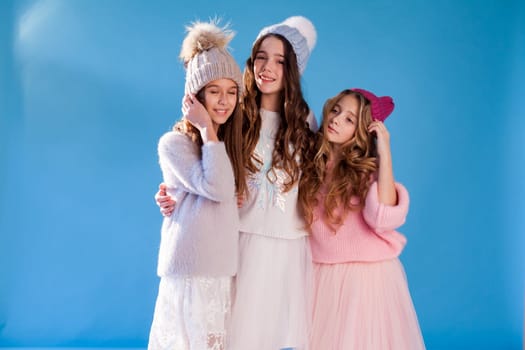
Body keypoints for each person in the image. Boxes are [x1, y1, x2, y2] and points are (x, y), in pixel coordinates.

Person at [156, 16, 318, 350]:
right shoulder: (236, 108)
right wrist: (172, 192)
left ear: (294, 70)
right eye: (261, 56)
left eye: (280, 60)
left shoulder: (304, 120)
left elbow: (316, 177)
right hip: (236, 236)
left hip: (285, 237)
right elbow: (200, 157)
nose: (267, 67)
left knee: (269, 329)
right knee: (228, 330)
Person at [298, 88, 426, 349]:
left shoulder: (364, 171)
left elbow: (383, 218)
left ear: (362, 131)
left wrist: (384, 154)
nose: (336, 120)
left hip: (366, 278)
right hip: (321, 273)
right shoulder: (310, 164)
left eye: (349, 119)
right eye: (336, 110)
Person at [147, 20, 245, 350]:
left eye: (231, 92)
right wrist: (205, 129)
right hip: (190, 269)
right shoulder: (175, 144)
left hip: (221, 268)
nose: (224, 101)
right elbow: (217, 188)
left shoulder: (230, 145)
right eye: (214, 91)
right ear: (196, 97)